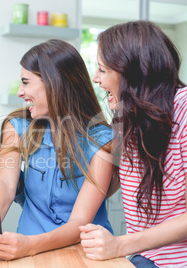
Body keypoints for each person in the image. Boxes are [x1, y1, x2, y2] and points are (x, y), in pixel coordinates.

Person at [0, 39, 114, 262]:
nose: (20, 92)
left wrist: (30, 246)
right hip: (25, 253)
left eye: (26, 82)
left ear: (55, 83)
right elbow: (5, 184)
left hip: (87, 254)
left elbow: (80, 222)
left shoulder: (104, 141)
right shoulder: (17, 126)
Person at [79, 20, 187, 267]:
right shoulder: (131, 120)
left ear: (132, 73)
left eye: (103, 70)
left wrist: (120, 245)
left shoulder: (184, 109)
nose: (95, 78)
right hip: (142, 260)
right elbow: (104, 185)